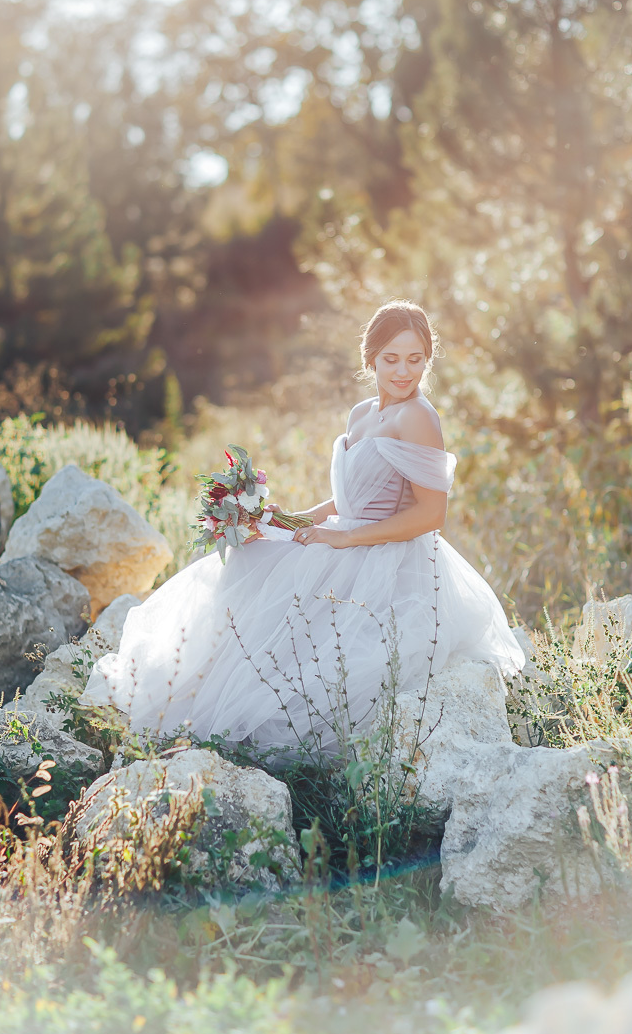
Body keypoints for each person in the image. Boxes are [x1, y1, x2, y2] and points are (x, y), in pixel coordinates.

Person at [82, 300, 524, 759]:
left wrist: (343, 537)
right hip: (347, 535)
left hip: (387, 554)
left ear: (427, 361)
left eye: (415, 359)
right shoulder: (362, 413)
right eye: (391, 358)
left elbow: (431, 515)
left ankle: (243, 718)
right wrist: (288, 520)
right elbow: (351, 499)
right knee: (251, 552)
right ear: (370, 357)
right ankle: (195, 684)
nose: (403, 371)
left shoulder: (418, 418)